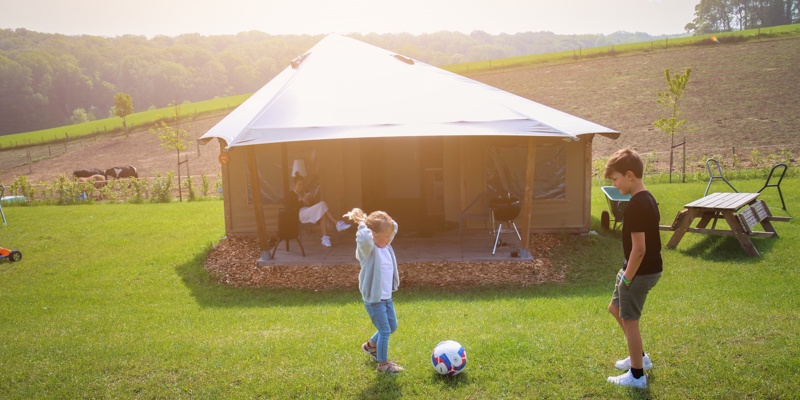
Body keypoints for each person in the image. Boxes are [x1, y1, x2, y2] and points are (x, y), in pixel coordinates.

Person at [603, 148, 663, 389]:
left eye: (616, 179)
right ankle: (641, 357)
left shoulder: (637, 205)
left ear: (629, 175)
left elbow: (639, 249)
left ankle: (637, 375)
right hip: (637, 269)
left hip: (638, 272)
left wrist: (627, 279)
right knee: (615, 308)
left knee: (630, 321)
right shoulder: (647, 198)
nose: (615, 185)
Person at [344, 207, 403, 373]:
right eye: (385, 235)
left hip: (386, 298)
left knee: (392, 326)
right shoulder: (368, 250)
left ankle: (370, 346)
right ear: (373, 235)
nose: (389, 237)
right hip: (374, 299)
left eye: (389, 235)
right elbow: (363, 238)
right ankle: (383, 364)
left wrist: (383, 218)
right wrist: (362, 223)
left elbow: (393, 227)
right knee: (384, 330)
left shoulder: (386, 245)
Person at [289, 173, 350, 247]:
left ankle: (325, 238)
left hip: (309, 212)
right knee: (322, 204)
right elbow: (293, 208)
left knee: (322, 213)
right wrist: (303, 201)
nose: (301, 187)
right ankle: (337, 223)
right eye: (299, 185)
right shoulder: (291, 194)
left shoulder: (305, 192)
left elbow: (313, 205)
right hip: (301, 215)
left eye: (302, 185)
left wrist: (310, 199)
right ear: (294, 185)